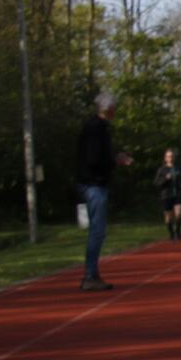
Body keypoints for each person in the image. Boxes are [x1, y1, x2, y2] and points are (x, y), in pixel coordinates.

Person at [74, 91, 133, 290]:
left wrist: (113, 158)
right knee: (97, 231)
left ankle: (92, 274)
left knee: (98, 231)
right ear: (109, 109)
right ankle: (90, 276)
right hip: (92, 184)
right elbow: (93, 159)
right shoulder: (95, 128)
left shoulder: (98, 127)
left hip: (93, 184)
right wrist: (115, 160)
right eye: (114, 107)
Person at [153, 148, 181, 241]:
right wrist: (165, 179)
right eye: (168, 156)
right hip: (166, 195)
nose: (170, 158)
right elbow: (156, 183)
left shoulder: (179, 168)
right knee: (168, 217)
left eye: (172, 156)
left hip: (178, 194)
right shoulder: (162, 170)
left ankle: (178, 230)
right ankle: (171, 233)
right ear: (165, 158)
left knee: (179, 214)